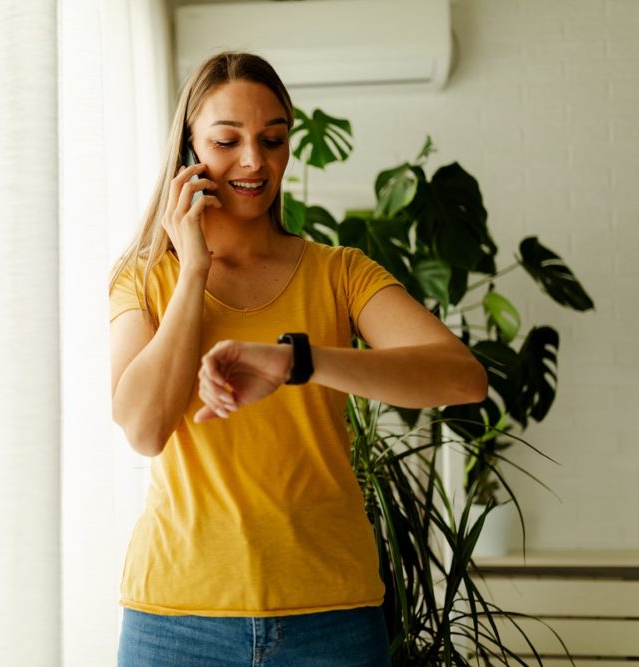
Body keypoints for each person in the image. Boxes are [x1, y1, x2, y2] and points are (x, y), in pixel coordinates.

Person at [108, 51, 487, 666]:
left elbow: (462, 378)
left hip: (330, 619)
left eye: (273, 139)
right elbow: (144, 428)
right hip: (175, 624)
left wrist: (297, 362)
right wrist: (194, 269)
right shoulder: (146, 278)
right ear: (188, 151)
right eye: (227, 141)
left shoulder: (339, 273)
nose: (254, 161)